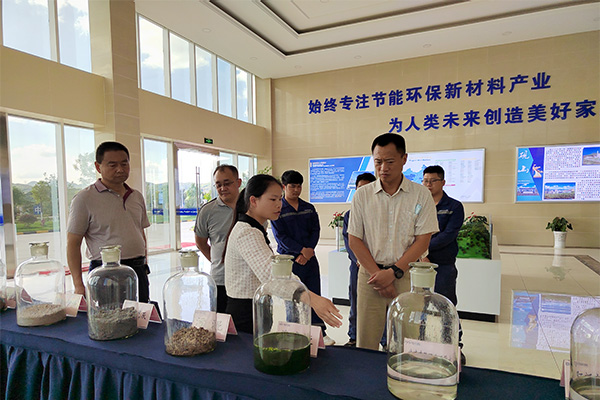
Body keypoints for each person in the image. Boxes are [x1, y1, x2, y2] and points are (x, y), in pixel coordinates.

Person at [348, 133, 439, 350]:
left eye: (389, 162)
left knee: (407, 339)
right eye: (378, 162)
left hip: (406, 275)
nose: (383, 168)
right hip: (370, 277)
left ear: (404, 159)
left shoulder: (420, 195)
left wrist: (393, 273)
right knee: (366, 342)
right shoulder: (362, 195)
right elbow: (354, 239)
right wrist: (378, 276)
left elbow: (422, 240)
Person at [224, 174, 343, 335]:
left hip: (256, 308)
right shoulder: (247, 232)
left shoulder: (255, 228)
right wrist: (313, 300)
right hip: (245, 314)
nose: (279, 204)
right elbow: (271, 274)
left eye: (280, 199)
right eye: (273, 199)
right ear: (253, 201)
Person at [67, 141, 152, 303]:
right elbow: (73, 243)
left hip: (137, 270)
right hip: (105, 273)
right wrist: (78, 285)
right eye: (112, 165)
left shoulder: (136, 196)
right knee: (109, 317)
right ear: (98, 167)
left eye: (124, 164)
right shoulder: (84, 199)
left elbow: (139, 232)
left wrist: (144, 265)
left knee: (141, 314)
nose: (120, 169)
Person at [270, 170, 334, 345]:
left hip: (310, 258)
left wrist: (308, 251)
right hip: (289, 261)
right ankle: (295, 331)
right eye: (292, 186)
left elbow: (316, 230)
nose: (296, 190)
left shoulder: (308, 208)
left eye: (299, 186)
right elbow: (280, 236)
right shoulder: (278, 209)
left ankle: (319, 332)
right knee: (293, 296)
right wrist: (300, 251)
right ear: (284, 187)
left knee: (314, 294)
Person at [421, 165, 466, 365]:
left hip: (443, 265)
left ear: (443, 182)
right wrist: (420, 255)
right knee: (419, 307)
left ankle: (454, 347)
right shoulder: (418, 205)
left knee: (446, 306)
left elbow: (448, 235)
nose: (428, 185)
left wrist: (423, 249)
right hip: (419, 265)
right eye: (425, 181)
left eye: (433, 181)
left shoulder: (454, 206)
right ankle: (420, 345)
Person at [194, 165, 242, 313]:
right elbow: (201, 243)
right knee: (221, 321)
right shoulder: (207, 211)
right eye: (218, 185)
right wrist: (218, 261)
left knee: (245, 323)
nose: (222, 188)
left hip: (246, 280)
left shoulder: (251, 207)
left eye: (227, 183)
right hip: (220, 279)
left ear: (238, 182)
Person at [342, 172, 377, 347]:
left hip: (379, 266)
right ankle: (354, 336)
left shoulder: (380, 212)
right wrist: (359, 259)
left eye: (366, 188)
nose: (362, 192)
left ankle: (384, 340)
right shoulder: (350, 214)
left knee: (381, 304)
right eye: (359, 188)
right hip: (358, 266)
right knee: (356, 301)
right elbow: (349, 240)